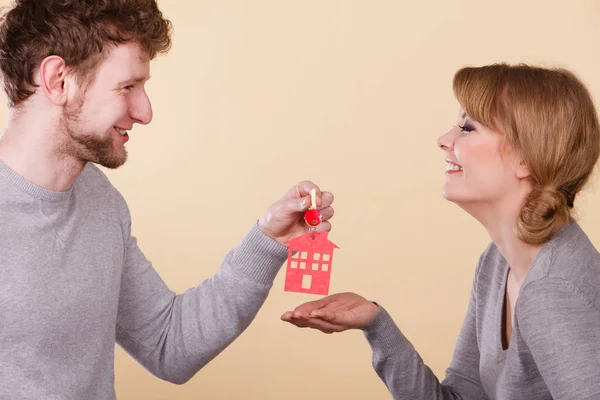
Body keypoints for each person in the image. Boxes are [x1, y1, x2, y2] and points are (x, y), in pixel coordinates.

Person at [0, 1, 334, 399]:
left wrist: (268, 240)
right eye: (127, 86)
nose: (145, 111)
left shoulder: (100, 200)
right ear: (59, 81)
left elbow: (168, 345)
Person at [282, 63, 600, 399]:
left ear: (526, 159)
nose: (444, 140)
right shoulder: (497, 264)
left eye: (467, 127)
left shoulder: (552, 291)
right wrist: (376, 323)